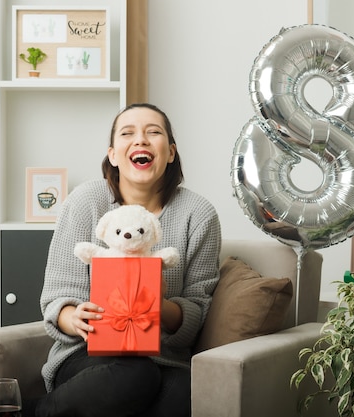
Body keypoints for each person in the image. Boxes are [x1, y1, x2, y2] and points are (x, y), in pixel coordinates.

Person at [32, 103, 222, 417]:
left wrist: (157, 304)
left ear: (170, 152)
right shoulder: (86, 200)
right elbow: (56, 298)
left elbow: (197, 311)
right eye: (127, 133)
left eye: (153, 132)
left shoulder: (198, 214)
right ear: (113, 154)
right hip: (87, 354)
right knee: (135, 375)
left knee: (187, 393)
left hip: (166, 359)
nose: (141, 140)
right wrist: (73, 317)